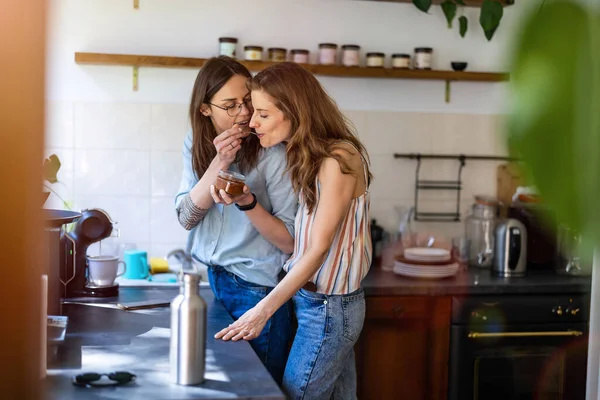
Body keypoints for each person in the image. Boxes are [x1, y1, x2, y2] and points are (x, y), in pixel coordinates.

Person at [214, 62, 373, 400]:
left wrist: (262, 311)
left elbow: (318, 248)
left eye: (263, 114)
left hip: (330, 309)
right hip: (316, 304)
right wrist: (246, 200)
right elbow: (297, 243)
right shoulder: (308, 156)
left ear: (294, 111)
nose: (251, 121)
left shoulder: (338, 158)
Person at [174, 56, 298, 385]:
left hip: (256, 290)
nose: (244, 113)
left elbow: (290, 242)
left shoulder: (274, 152)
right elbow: (186, 216)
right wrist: (221, 160)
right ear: (205, 109)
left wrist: (246, 201)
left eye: (248, 101)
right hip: (213, 282)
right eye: (230, 105)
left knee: (256, 389)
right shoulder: (196, 142)